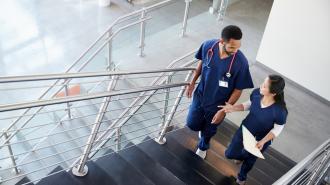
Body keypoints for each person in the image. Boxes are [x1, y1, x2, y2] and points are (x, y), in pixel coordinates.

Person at [185, 25, 254, 159]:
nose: (236, 50)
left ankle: (203, 146)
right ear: (222, 42)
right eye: (232, 47)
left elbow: (238, 89)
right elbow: (201, 63)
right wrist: (192, 82)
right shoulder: (208, 46)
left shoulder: (241, 62)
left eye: (238, 47)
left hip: (219, 104)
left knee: (209, 130)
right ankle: (202, 130)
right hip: (201, 95)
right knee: (192, 123)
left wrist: (225, 109)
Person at [220, 75, 288, 185]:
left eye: (265, 86)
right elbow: (248, 105)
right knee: (229, 154)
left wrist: (263, 141)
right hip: (245, 130)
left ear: (273, 93)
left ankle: (242, 177)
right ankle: (242, 156)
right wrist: (233, 108)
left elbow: (277, 130)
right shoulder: (257, 93)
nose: (261, 86)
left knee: (250, 160)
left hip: (260, 141)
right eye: (263, 83)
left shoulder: (280, 111)